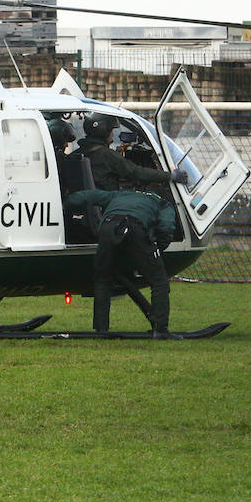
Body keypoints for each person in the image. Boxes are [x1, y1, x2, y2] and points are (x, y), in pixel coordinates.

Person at [69, 187, 176, 337]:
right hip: (134, 227)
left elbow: (89, 195)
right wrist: (159, 247)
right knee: (159, 281)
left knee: (103, 279)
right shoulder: (162, 203)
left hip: (107, 228)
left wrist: (66, 202)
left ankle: (101, 329)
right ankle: (160, 329)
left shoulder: (118, 194)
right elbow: (166, 226)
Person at [77, 113, 182, 193]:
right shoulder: (107, 155)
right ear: (104, 131)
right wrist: (170, 176)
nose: (113, 134)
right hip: (108, 204)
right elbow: (137, 172)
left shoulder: (77, 154)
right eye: (111, 130)